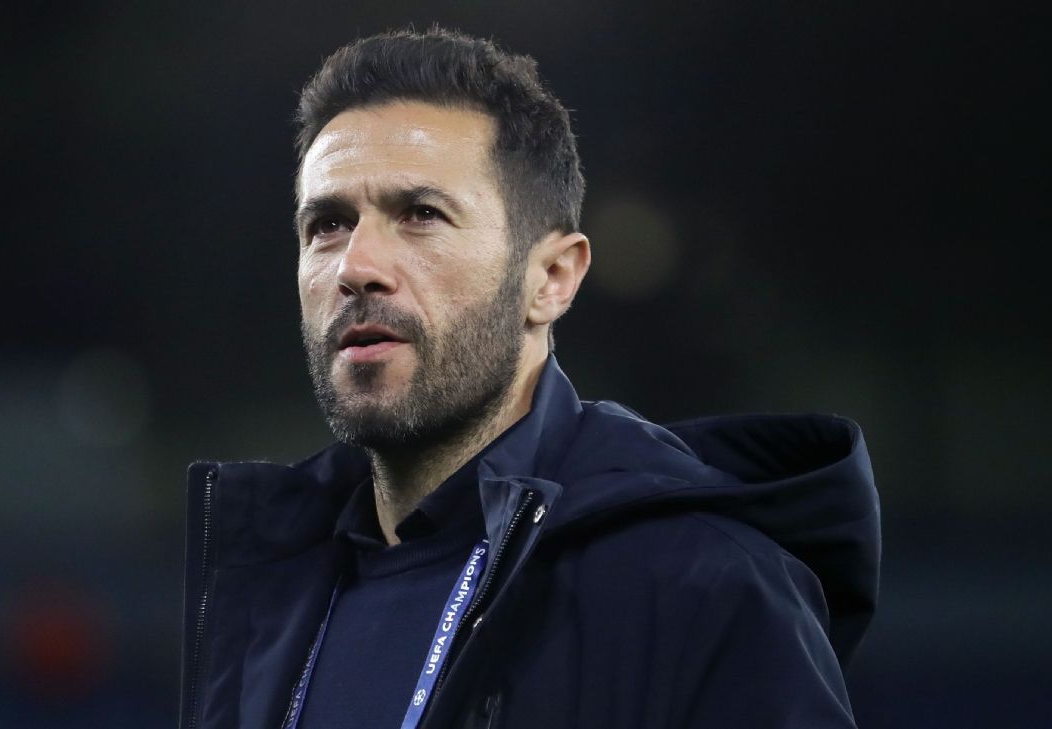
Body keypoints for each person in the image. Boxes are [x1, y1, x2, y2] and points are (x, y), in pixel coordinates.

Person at [179, 27, 880, 729]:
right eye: (328, 224)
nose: (355, 266)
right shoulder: (263, 591)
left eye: (421, 214)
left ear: (551, 279)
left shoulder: (705, 585)